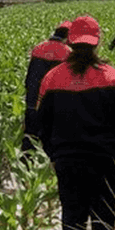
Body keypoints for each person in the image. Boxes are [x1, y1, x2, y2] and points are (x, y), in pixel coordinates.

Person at [36, 16, 115, 230]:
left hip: (69, 160)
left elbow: (42, 124)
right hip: (106, 158)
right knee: (105, 204)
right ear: (97, 42)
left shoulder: (52, 78)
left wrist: (53, 155)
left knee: (73, 213)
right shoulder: (113, 77)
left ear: (70, 41)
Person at [22, 20, 72, 157]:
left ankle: (25, 167)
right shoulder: (68, 53)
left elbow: (29, 77)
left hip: (33, 99)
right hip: (53, 104)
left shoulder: (38, 47)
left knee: (29, 137)